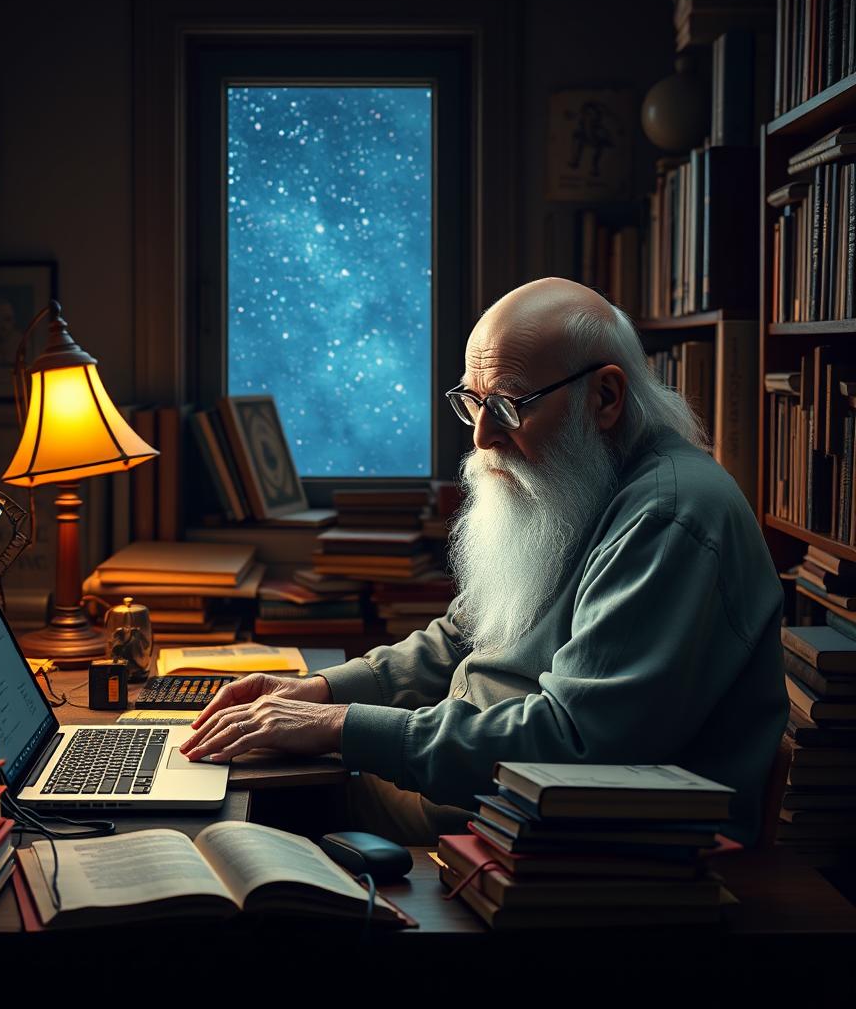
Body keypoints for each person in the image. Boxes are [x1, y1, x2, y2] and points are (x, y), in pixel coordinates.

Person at [181, 277, 789, 846]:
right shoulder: (588, 480)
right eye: (473, 403)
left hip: (546, 846)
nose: (481, 438)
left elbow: (574, 745)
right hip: (477, 798)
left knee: (216, 823)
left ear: (604, 397)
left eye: (507, 406)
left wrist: (342, 726)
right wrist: (316, 692)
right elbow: (465, 634)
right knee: (218, 787)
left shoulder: (668, 518)